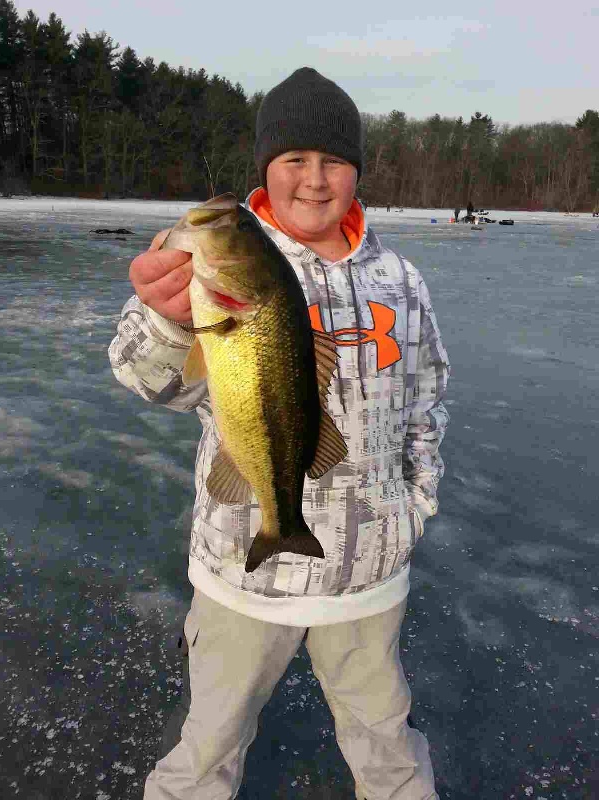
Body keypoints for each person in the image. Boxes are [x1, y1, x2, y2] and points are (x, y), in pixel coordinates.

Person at [109, 66, 450, 800]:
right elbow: (154, 381)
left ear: (357, 171)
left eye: (334, 160)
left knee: (389, 750)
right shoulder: (217, 271)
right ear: (266, 168)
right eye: (295, 159)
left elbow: (428, 402)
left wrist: (412, 508)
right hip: (242, 573)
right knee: (205, 751)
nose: (316, 179)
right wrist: (169, 319)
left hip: (366, 578)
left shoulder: (402, 280)